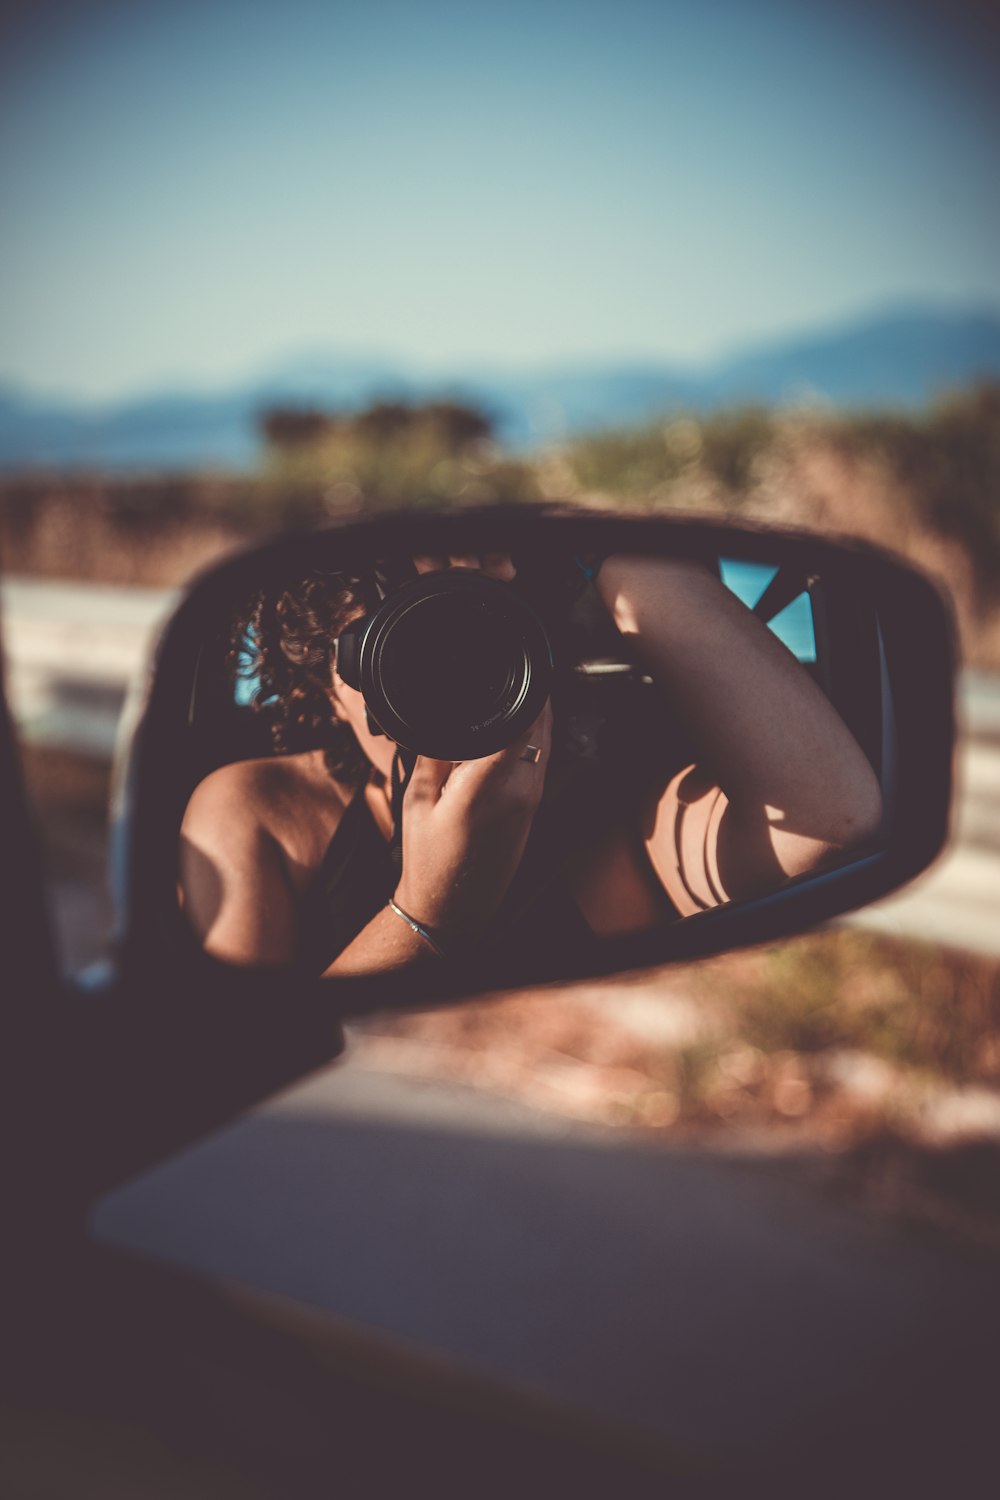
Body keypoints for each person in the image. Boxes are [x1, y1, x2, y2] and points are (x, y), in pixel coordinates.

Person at [178, 551, 883, 978]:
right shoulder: (261, 811)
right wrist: (428, 910)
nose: (446, 691)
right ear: (322, 685)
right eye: (407, 658)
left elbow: (828, 816)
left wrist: (619, 560)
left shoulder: (588, 824)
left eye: (475, 644)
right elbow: (240, 1055)